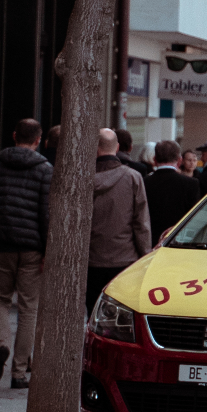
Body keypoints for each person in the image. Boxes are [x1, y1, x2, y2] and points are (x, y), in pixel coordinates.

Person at [0, 117, 52, 389]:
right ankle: (19, 372)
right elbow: (45, 213)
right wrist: (46, 249)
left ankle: (2, 345)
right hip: (31, 247)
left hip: (1, 243)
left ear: (14, 135)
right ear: (38, 140)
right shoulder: (44, 170)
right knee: (29, 307)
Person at [88, 127, 152, 307]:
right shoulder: (133, 177)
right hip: (124, 258)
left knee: (93, 309)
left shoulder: (84, 179)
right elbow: (141, 223)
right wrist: (145, 255)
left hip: (92, 259)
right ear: (117, 148)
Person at [144, 140, 197, 243]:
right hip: (178, 242)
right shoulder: (191, 184)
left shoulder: (143, 182)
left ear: (155, 160)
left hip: (150, 241)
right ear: (179, 160)